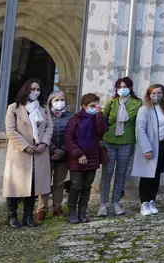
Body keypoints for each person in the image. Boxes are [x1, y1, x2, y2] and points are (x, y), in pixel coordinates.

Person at [3, 79, 53, 228]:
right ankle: (12, 216)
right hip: (20, 153)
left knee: (33, 185)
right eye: (32, 89)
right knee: (15, 184)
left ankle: (28, 216)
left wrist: (44, 143)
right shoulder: (14, 108)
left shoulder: (44, 108)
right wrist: (25, 146)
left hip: (39, 152)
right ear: (26, 90)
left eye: (37, 89)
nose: (35, 92)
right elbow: (10, 130)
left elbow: (49, 126)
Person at [63, 93, 108, 224]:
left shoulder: (97, 118)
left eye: (96, 105)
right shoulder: (75, 119)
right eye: (92, 106)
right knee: (76, 185)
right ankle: (72, 212)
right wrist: (78, 154)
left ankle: (82, 212)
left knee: (87, 186)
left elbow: (102, 130)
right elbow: (68, 138)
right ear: (84, 106)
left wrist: (99, 115)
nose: (94, 108)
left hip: (93, 156)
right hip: (77, 157)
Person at [99, 77, 140, 217]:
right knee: (107, 173)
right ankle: (103, 204)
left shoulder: (137, 103)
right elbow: (105, 119)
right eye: (120, 86)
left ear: (130, 87)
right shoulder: (111, 102)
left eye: (125, 86)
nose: (122, 89)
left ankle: (115, 202)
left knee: (121, 174)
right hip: (109, 141)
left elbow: (129, 117)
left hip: (126, 142)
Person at [133, 84, 164, 216]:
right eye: (153, 93)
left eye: (159, 93)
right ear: (149, 94)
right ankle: (144, 202)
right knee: (147, 175)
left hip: (161, 144)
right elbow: (140, 130)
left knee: (157, 174)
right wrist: (146, 149)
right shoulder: (144, 109)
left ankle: (152, 200)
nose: (156, 96)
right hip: (149, 145)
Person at [39, 90, 72, 222]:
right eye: (56, 100)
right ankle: (42, 209)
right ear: (50, 102)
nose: (60, 103)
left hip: (63, 154)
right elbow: (43, 132)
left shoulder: (70, 116)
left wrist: (62, 150)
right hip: (47, 153)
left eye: (62, 100)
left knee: (59, 182)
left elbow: (70, 134)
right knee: (45, 182)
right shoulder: (45, 115)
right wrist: (53, 149)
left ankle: (57, 207)